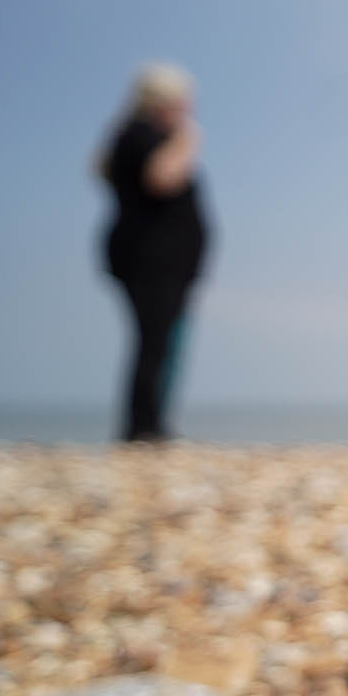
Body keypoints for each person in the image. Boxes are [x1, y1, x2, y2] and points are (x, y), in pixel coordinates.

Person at [98, 63, 208, 443]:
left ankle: (150, 424)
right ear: (164, 102)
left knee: (160, 342)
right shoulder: (142, 134)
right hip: (151, 260)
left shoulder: (135, 135)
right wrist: (188, 140)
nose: (188, 111)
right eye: (183, 103)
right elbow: (161, 178)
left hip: (159, 261)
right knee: (155, 342)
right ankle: (144, 428)